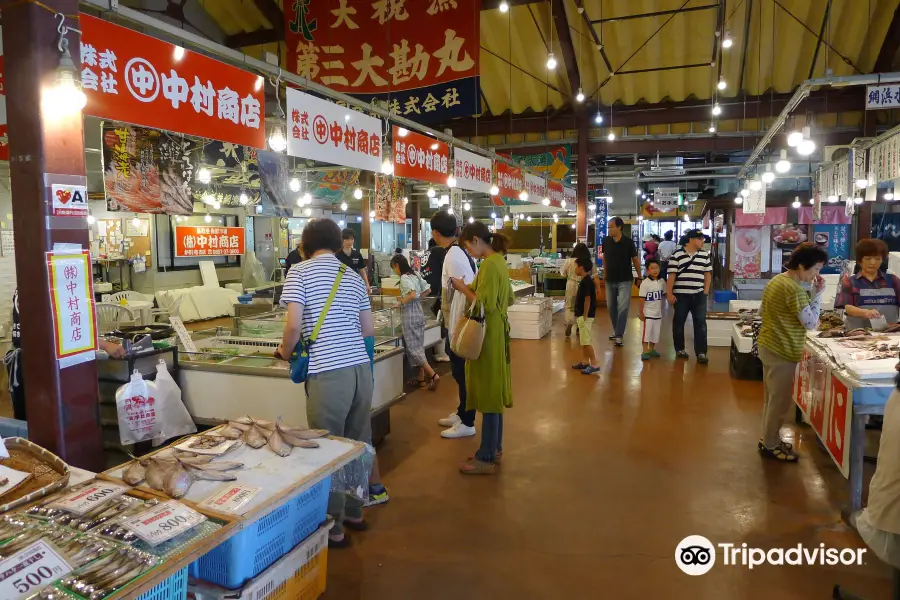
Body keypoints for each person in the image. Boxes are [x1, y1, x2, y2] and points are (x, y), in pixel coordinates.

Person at [275, 219, 379, 547]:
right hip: (360, 370)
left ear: (304, 244)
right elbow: (367, 331)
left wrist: (283, 352)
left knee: (328, 448)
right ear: (336, 243)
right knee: (357, 444)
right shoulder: (351, 275)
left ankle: (333, 527)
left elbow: (293, 327)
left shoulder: (299, 272)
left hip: (329, 372)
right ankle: (355, 512)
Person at [450, 222, 513, 474]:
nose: (470, 252)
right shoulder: (499, 262)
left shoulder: (488, 264)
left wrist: (462, 287)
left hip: (486, 334)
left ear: (476, 240)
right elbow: (508, 298)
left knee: (487, 393)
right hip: (497, 332)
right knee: (494, 390)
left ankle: (486, 456)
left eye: (468, 246)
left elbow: (482, 304)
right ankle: (494, 448)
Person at [5, 290, 126, 421]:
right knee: (41, 424)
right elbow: (62, 329)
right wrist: (105, 345)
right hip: (37, 363)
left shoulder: (28, 280)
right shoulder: (47, 282)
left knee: (29, 423)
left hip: (25, 359)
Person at [756, 242, 828, 462]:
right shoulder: (794, 289)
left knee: (772, 399)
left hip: (769, 344)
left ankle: (768, 439)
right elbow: (810, 323)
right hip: (783, 349)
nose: (817, 274)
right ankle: (770, 445)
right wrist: (817, 295)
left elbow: (761, 310)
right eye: (815, 269)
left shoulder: (778, 280)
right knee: (779, 402)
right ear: (801, 265)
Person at [432, 211, 478, 439]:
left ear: (435, 233)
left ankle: (468, 421)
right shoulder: (457, 252)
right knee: (460, 373)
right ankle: (462, 413)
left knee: (461, 372)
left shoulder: (452, 256)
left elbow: (469, 292)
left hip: (460, 323)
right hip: (457, 322)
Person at [390, 254, 439, 390]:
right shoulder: (415, 274)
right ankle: (421, 379)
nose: (395, 271)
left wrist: (400, 303)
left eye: (394, 268)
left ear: (397, 265)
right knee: (419, 347)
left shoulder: (405, 278)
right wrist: (417, 298)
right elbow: (427, 290)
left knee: (413, 350)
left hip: (410, 316)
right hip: (419, 313)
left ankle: (433, 375)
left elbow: (411, 295)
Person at [666, 229, 712, 364]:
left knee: (701, 324)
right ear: (691, 239)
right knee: (679, 322)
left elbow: (707, 274)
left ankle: (701, 352)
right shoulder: (677, 255)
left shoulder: (704, 255)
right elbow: (672, 276)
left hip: (699, 295)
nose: (703, 241)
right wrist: (669, 293)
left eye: (703, 239)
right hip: (681, 295)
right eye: (700, 239)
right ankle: (680, 349)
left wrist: (705, 291)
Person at [836, 238, 900, 331]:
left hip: (888, 333)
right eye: (868, 258)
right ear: (859, 260)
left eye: (877, 258)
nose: (872, 262)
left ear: (883, 260)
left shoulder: (893, 280)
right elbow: (848, 306)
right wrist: (865, 312)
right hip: (858, 333)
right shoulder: (850, 281)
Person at [602, 217, 642, 347]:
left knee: (623, 307)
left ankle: (619, 335)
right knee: (611, 307)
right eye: (608, 227)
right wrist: (605, 273)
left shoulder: (628, 242)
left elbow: (635, 259)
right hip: (610, 280)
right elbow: (605, 258)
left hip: (625, 279)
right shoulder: (606, 241)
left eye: (611, 226)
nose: (609, 229)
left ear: (619, 227)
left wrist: (640, 275)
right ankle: (617, 331)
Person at [560, 242, 599, 338]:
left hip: (571, 284)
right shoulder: (589, 262)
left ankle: (570, 321)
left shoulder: (569, 261)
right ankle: (579, 326)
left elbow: (562, 273)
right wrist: (598, 288)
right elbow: (595, 276)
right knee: (581, 306)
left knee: (569, 305)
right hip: (583, 284)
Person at [421, 237, 450, 363]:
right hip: (436, 292)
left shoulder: (425, 253)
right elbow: (447, 269)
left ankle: (432, 351)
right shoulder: (439, 251)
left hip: (425, 292)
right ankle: (440, 353)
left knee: (431, 321)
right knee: (440, 322)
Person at [570, 257, 599, 374]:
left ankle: (594, 363)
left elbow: (588, 299)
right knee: (583, 340)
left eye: (576, 266)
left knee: (586, 341)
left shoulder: (587, 282)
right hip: (583, 315)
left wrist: (585, 315)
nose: (575, 269)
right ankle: (584, 361)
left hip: (585, 316)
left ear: (581, 267)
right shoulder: (584, 280)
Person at [639, 259, 666, 361]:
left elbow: (665, 294)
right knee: (646, 333)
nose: (655, 270)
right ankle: (645, 350)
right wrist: (641, 312)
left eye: (657, 268)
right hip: (648, 313)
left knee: (655, 333)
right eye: (652, 268)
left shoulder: (662, 282)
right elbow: (641, 299)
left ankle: (652, 349)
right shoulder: (645, 283)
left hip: (658, 313)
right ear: (647, 270)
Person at [336, 228, 371, 295]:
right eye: (347, 239)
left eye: (352, 239)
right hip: (341, 286)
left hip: (355, 284)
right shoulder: (337, 255)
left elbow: (362, 271)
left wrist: (367, 284)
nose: (349, 242)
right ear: (342, 240)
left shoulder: (357, 254)